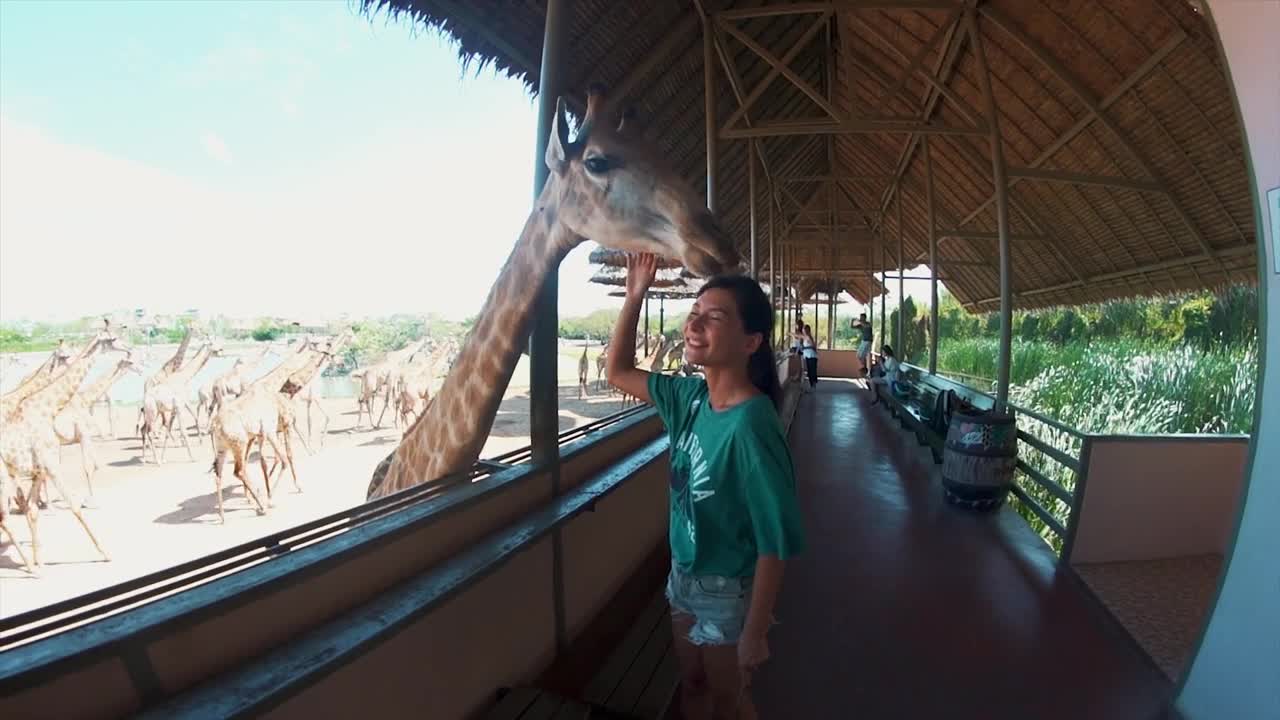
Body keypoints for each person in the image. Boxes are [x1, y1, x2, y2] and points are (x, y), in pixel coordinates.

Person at [606, 253, 806, 720]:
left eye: (714, 318)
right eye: (694, 314)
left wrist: (755, 630)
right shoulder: (689, 398)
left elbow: (773, 538)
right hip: (683, 575)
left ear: (751, 341)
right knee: (691, 684)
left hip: (726, 589)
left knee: (728, 699)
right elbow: (617, 371)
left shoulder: (752, 424)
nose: (695, 324)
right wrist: (635, 295)